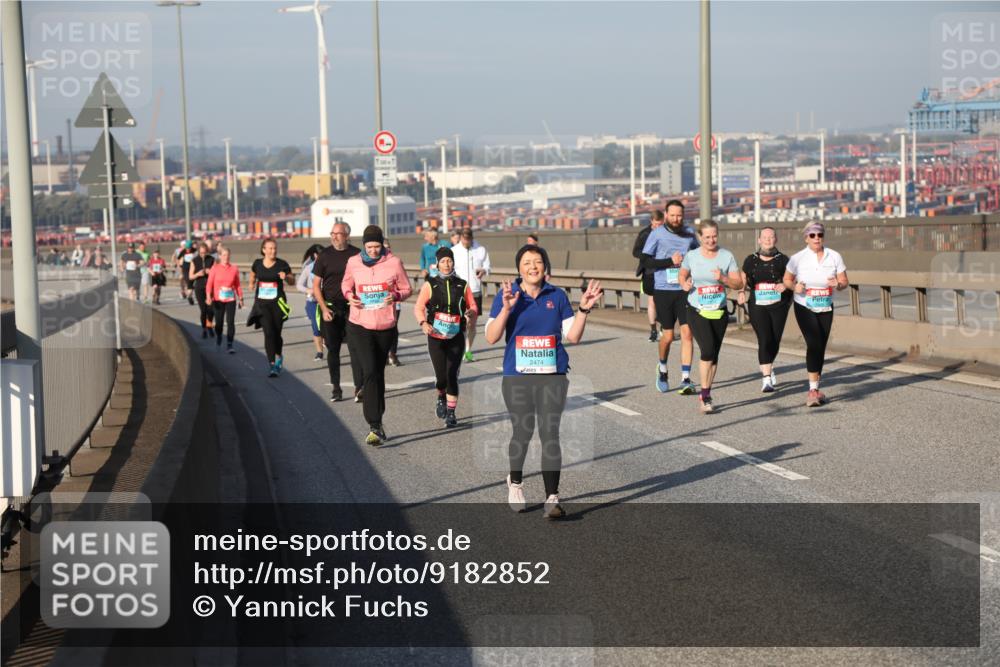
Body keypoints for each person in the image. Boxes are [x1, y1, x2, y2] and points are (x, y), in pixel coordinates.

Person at [486, 244, 602, 519]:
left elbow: (572, 337)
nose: (533, 266)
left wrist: (584, 309)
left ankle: (552, 498)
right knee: (523, 432)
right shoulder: (507, 295)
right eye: (527, 262)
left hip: (553, 375)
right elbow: (491, 337)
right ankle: (515, 482)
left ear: (545, 266)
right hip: (517, 376)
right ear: (519, 268)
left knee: (550, 434)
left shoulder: (557, 296)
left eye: (538, 261)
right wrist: (506, 309)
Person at [341, 225, 412, 446]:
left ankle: (378, 422)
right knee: (370, 370)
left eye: (377, 246)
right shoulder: (353, 262)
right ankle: (373, 424)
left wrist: (396, 295)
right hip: (359, 324)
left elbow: (407, 288)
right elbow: (346, 283)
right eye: (369, 246)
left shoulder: (394, 262)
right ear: (363, 245)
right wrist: (349, 296)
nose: (373, 250)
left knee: (377, 373)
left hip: (385, 325)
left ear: (383, 244)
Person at [678, 221, 743, 414]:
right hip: (697, 309)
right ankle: (705, 396)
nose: (711, 240)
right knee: (707, 350)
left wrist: (723, 279)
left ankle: (706, 391)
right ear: (700, 237)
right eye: (707, 237)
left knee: (713, 354)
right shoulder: (692, 256)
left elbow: (738, 283)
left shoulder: (726, 256)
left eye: (714, 236)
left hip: (719, 311)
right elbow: (682, 275)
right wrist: (684, 283)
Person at [783, 222, 849, 407]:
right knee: (813, 343)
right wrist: (794, 286)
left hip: (826, 306)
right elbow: (786, 279)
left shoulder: (834, 256)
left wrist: (838, 284)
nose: (816, 238)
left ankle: (816, 387)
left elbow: (844, 281)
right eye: (812, 235)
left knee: (820, 346)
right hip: (804, 305)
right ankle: (812, 391)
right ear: (806, 238)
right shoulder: (798, 258)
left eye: (819, 234)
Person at [413, 246, 479, 428]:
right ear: (437, 264)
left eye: (449, 260)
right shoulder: (430, 284)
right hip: (435, 336)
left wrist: (471, 313)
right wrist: (423, 323)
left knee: (452, 375)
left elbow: (473, 305)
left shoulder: (462, 284)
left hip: (456, 335)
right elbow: (418, 307)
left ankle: (451, 413)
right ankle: (441, 395)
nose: (447, 264)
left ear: (453, 262)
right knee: (441, 377)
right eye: (443, 261)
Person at [641, 200, 700, 395]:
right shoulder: (656, 234)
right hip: (663, 290)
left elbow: (699, 254)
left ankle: (685, 378)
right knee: (667, 336)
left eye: (680, 215)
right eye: (673, 215)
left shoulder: (690, 234)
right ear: (666, 215)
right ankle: (663, 368)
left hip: (684, 290)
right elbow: (645, 261)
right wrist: (669, 261)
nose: (676, 219)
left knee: (687, 333)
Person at [312, 222, 363, 403]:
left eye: (338, 234)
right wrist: (324, 308)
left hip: (352, 307)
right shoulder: (324, 255)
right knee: (333, 350)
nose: (334, 237)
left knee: (355, 348)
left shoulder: (357, 254)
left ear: (347, 235)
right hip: (331, 308)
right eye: (332, 233)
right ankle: (336, 388)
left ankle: (359, 388)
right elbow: (316, 285)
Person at [738, 227, 792, 392]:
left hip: (779, 305)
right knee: (764, 338)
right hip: (758, 305)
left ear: (776, 239)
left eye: (771, 237)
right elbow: (743, 278)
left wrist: (785, 284)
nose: (768, 240)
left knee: (774, 340)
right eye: (765, 237)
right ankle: (766, 378)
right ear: (759, 240)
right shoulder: (751, 260)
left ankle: (768, 365)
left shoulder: (783, 260)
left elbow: (792, 279)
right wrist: (741, 291)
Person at [250, 238, 293, 377]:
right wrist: (251, 283)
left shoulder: (282, 264)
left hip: (278, 304)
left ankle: (279, 355)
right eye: (270, 248)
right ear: (264, 250)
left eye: (274, 248)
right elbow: (253, 273)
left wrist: (285, 276)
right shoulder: (257, 263)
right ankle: (272, 364)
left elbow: (292, 281)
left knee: (276, 334)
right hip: (262, 304)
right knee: (268, 333)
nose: (273, 251)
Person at [451, 228, 491, 362]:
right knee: (462, 322)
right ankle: (458, 348)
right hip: (460, 291)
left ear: (472, 238)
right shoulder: (454, 251)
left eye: (468, 240)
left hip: (475, 291)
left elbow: (488, 266)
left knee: (472, 324)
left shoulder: (480, 250)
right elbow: (448, 270)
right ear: (460, 237)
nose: (466, 242)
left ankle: (468, 351)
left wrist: (484, 270)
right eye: (464, 239)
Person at [633, 209, 665, 343]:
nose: (658, 227)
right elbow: (635, 252)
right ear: (651, 221)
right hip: (650, 271)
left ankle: (664, 327)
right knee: (652, 301)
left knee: (664, 301)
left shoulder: (668, 233)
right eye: (656, 224)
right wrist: (647, 255)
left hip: (665, 270)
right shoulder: (644, 234)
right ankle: (653, 331)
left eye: (661, 224)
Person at [205, 246, 243, 353]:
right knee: (219, 323)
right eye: (224, 255)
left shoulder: (234, 268)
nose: (226, 257)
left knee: (230, 322)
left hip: (231, 299)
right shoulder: (215, 268)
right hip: (218, 300)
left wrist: (241, 298)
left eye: (228, 255)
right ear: (220, 256)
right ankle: (219, 337)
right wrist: (208, 296)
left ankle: (230, 344)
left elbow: (237, 285)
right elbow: (209, 284)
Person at [297, 244, 326, 362]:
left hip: (326, 301)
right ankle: (319, 352)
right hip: (313, 302)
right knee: (316, 327)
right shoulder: (309, 268)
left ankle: (326, 340)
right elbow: (299, 285)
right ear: (315, 255)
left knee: (328, 327)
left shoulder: (328, 266)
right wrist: (309, 290)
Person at [189, 242, 216, 339]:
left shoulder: (212, 259)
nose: (203, 255)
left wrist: (211, 272)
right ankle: (204, 329)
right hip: (199, 287)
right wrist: (198, 274)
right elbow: (190, 276)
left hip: (210, 287)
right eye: (201, 253)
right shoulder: (194, 260)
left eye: (204, 253)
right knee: (203, 310)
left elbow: (216, 274)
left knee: (211, 309)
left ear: (207, 252)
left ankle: (209, 326)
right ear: (198, 252)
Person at [176, 240, 196, 305]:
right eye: (187, 248)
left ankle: (190, 296)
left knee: (192, 283)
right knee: (189, 282)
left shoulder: (195, 250)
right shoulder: (183, 251)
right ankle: (190, 296)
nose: (188, 250)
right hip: (186, 269)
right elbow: (178, 258)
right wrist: (179, 266)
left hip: (193, 268)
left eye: (189, 248)